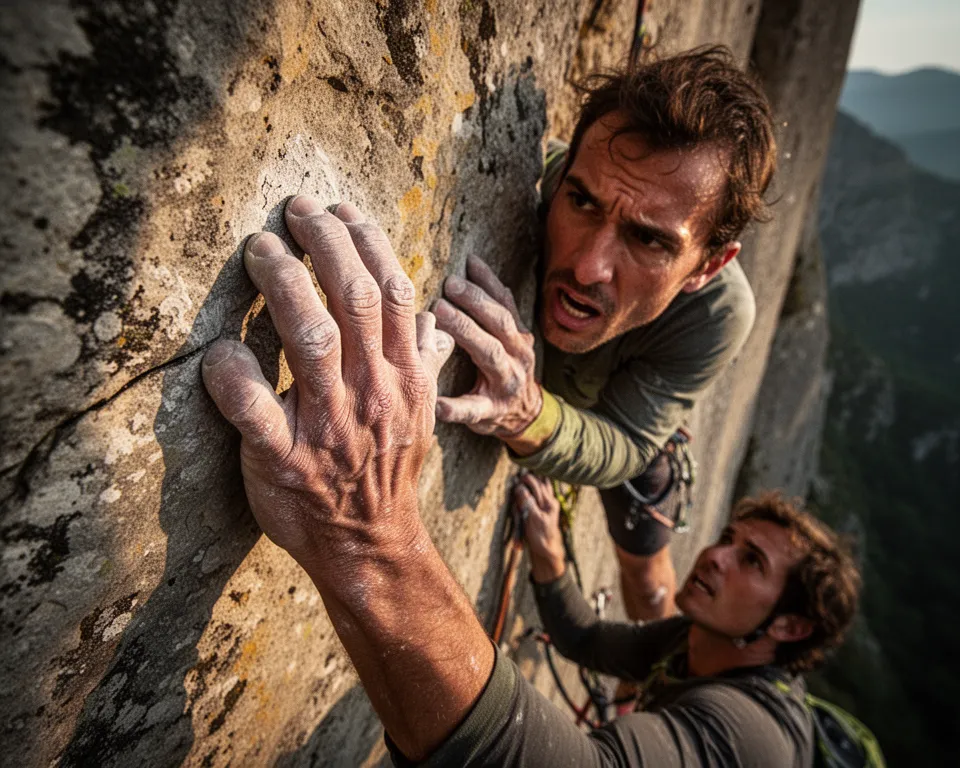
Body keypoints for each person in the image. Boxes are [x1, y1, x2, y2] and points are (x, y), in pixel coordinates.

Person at [202, 191, 859, 766]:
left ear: (790, 628)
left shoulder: (754, 739)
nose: (714, 555)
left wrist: (367, 528)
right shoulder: (696, 642)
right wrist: (549, 561)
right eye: (730, 538)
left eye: (750, 560)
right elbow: (588, 641)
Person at [432, 46, 775, 625]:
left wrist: (526, 414)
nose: (588, 266)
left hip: (626, 405)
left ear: (707, 267)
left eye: (649, 240)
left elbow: (627, 443)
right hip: (576, 389)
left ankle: (649, 667)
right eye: (582, 201)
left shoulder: (716, 314)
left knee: (645, 574)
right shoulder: (542, 180)